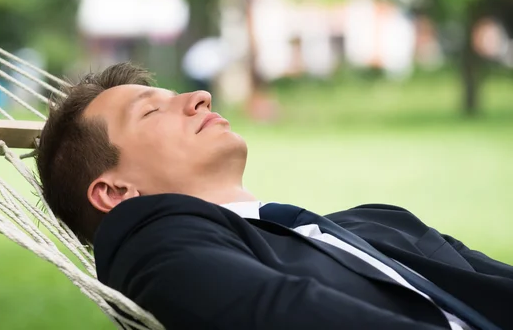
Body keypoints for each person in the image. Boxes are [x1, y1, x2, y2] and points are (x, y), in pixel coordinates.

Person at [35, 62, 512, 330]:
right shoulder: (149, 241)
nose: (199, 96)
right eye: (152, 111)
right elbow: (274, 312)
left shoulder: (381, 222)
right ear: (116, 192)